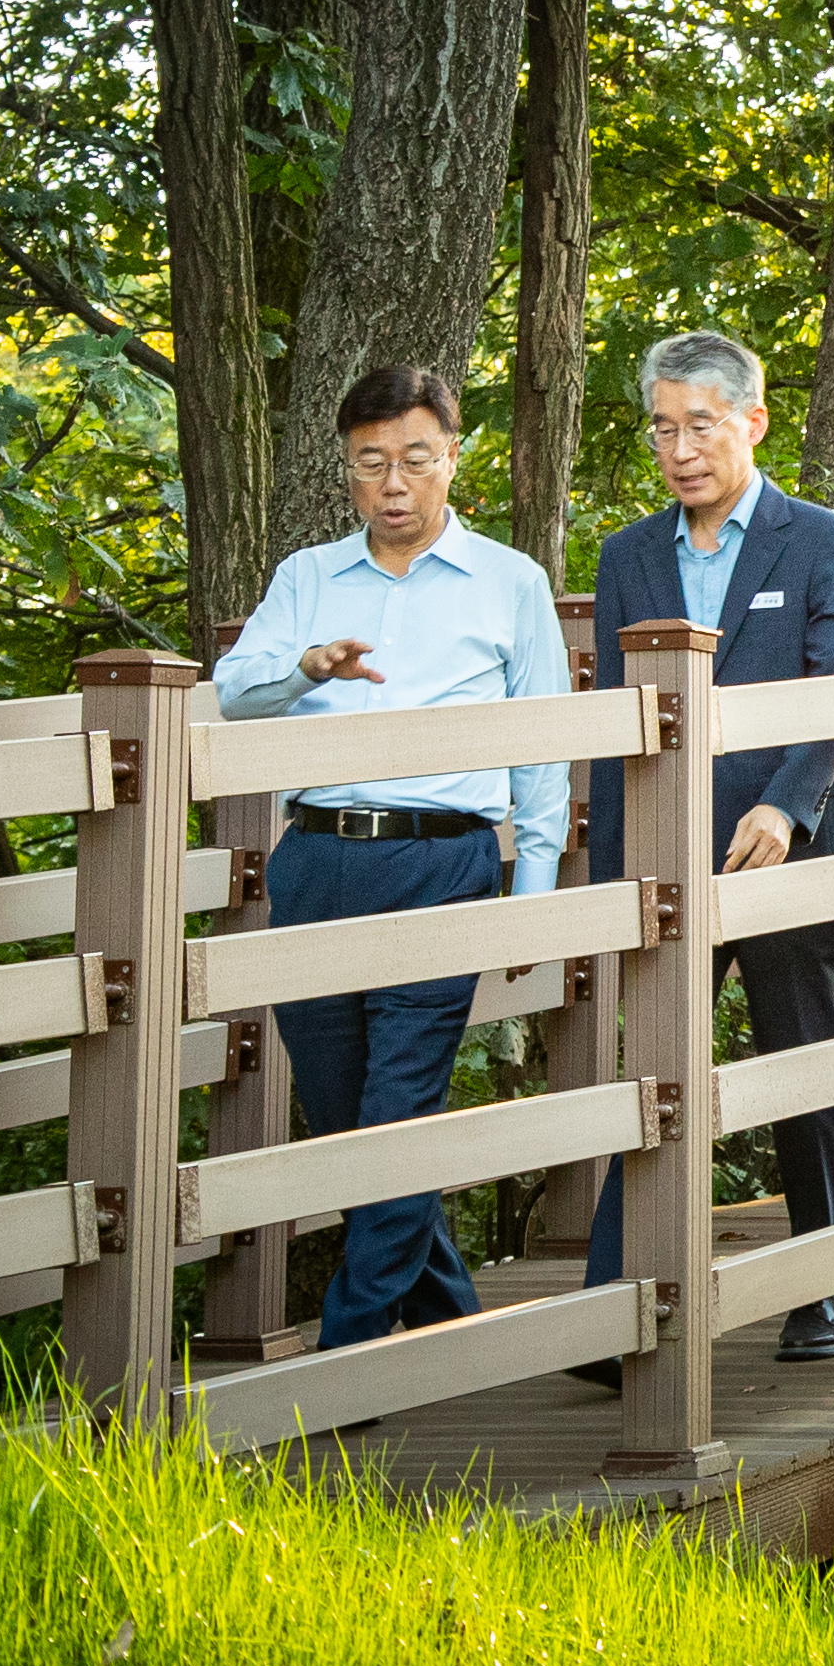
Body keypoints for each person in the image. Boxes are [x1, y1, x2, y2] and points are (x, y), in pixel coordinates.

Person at [205, 367, 571, 1352]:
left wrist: (529, 893)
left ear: (453, 458)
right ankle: (455, 1322)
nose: (394, 482)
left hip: (442, 864)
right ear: (349, 472)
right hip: (317, 862)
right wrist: (306, 665)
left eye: (415, 458)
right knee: (344, 1125)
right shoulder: (307, 579)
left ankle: (348, 1357)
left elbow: (543, 747)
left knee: (398, 1114)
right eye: (372, 464)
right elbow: (231, 694)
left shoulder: (511, 582)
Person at [576, 331, 834, 1366]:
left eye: (700, 424)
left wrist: (788, 808)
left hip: (781, 848)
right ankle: (614, 1305)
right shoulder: (629, 556)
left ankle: (822, 1285)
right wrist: (613, 869)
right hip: (665, 858)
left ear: (750, 421)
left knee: (798, 1066)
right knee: (655, 1075)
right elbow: (617, 723)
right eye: (662, 428)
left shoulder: (821, 538)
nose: (680, 447)